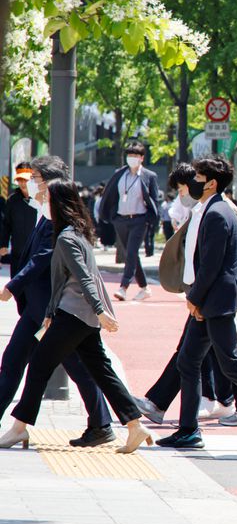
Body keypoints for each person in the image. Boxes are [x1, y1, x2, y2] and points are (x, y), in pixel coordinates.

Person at [0, 179, 153, 454]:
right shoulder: (76, 233)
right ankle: (135, 426)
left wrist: (100, 311)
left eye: (47, 197)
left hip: (74, 315)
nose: (42, 201)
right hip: (78, 316)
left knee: (38, 366)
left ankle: (18, 428)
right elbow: (64, 281)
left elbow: (84, 279)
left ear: (58, 203)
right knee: (101, 370)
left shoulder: (67, 238)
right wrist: (50, 314)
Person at [156, 156, 237, 449]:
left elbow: (212, 266)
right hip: (210, 301)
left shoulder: (218, 213)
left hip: (215, 302)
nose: (193, 182)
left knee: (233, 367)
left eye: (198, 177)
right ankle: (188, 430)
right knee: (188, 361)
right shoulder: (210, 209)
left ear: (211, 183)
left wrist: (195, 299)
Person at [0, 156, 113, 447]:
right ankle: (102, 424)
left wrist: (12, 286)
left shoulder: (57, 218)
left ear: (49, 183)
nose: (31, 183)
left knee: (70, 366)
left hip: (50, 309)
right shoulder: (41, 211)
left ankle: (105, 424)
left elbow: (42, 259)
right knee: (20, 362)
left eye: (36, 178)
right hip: (42, 308)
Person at [99, 141, 159, 301]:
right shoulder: (119, 174)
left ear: (142, 158)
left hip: (139, 219)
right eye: (129, 155)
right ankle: (145, 288)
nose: (131, 158)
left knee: (132, 252)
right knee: (130, 254)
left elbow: (153, 200)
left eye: (135, 155)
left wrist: (150, 219)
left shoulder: (149, 176)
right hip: (121, 219)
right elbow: (111, 195)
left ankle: (123, 287)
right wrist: (112, 216)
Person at [0, 163, 38, 277]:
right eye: (20, 180)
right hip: (18, 252)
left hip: (36, 252)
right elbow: (6, 224)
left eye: (25, 180)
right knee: (17, 288)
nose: (23, 183)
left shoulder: (40, 198)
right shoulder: (13, 200)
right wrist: (3, 244)